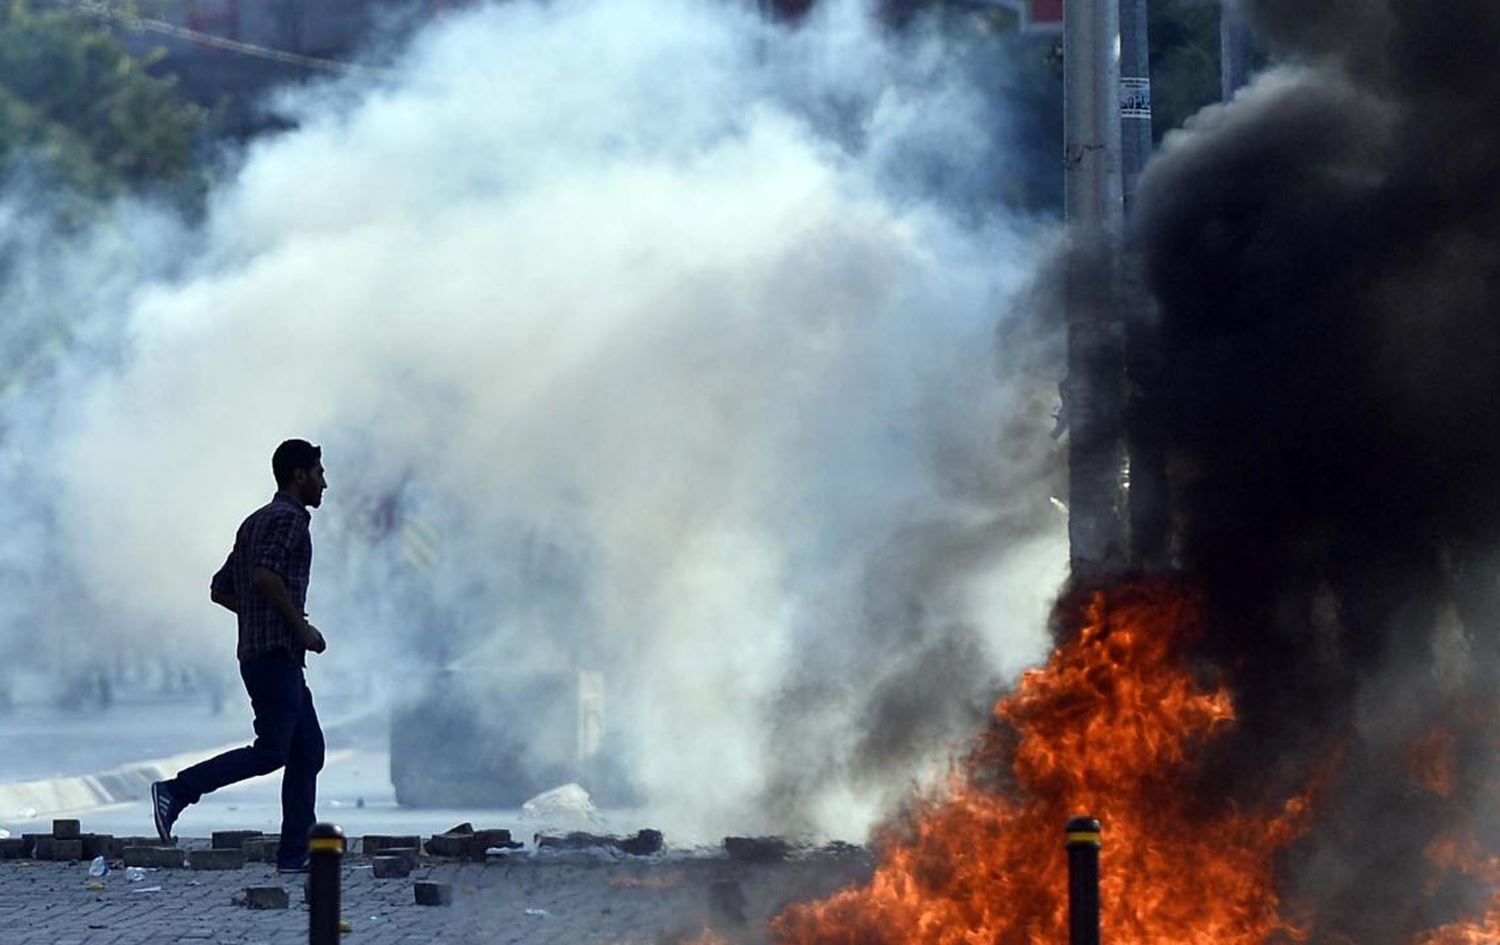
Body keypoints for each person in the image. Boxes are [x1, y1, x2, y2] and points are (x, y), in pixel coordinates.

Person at [150, 439, 329, 873]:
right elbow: (265, 575)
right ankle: (177, 790)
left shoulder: (254, 521)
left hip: (261, 652)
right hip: (274, 654)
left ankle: (294, 853)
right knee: (272, 751)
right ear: (299, 475)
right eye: (319, 473)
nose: (325, 483)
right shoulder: (291, 520)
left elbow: (222, 588)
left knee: (309, 749)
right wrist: (298, 627)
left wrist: (263, 614)